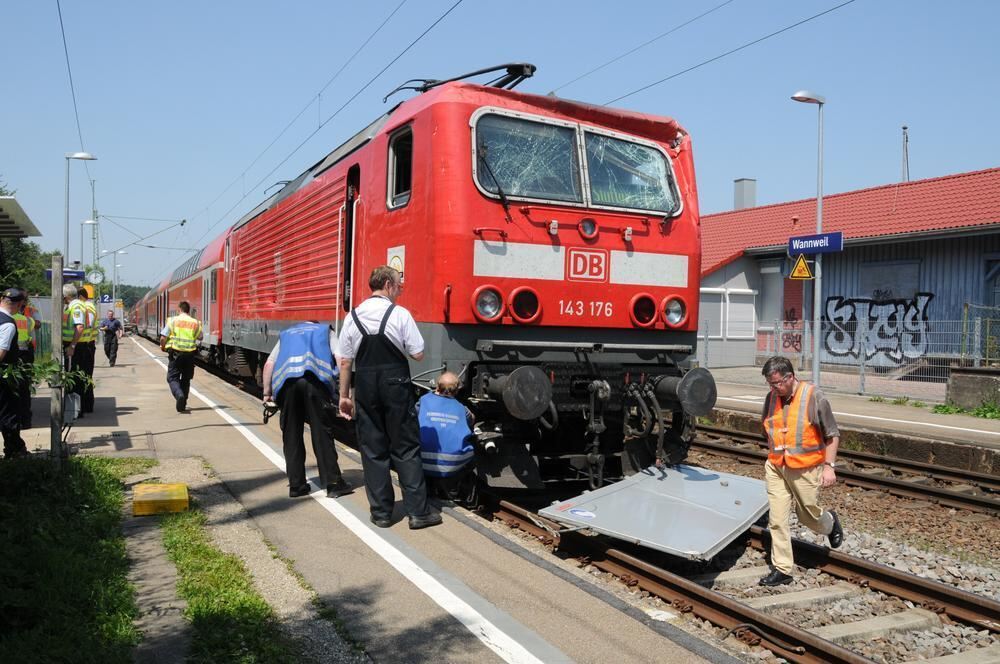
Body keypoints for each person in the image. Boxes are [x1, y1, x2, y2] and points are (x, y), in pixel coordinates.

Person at [337, 266, 441, 530]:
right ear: (387, 284)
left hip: (366, 385)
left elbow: (346, 362)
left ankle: (381, 513)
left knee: (373, 449)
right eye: (398, 284)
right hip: (396, 383)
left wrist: (344, 396)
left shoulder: (353, 317)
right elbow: (418, 353)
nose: (401, 289)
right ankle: (418, 512)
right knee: (406, 446)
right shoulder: (400, 314)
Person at [758, 355, 844, 587]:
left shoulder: (814, 397)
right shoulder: (771, 398)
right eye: (770, 384)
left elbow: (832, 435)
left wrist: (829, 467)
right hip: (777, 467)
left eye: (777, 383)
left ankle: (830, 522)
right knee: (777, 520)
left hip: (805, 469)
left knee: (809, 517)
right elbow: (768, 428)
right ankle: (783, 569)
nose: (774, 388)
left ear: (790, 377)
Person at [262, 321, 352, 498]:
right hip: (315, 383)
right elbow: (342, 360)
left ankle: (296, 485)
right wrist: (344, 394)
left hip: (287, 386)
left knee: (291, 433)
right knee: (321, 431)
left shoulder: (286, 334)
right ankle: (333, 484)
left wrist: (267, 393)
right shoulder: (326, 331)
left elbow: (269, 365)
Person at [417, 371, 477, 502]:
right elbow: (472, 419)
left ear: (437, 387)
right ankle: (451, 487)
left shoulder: (423, 401)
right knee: (473, 453)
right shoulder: (462, 408)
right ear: (456, 391)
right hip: (451, 466)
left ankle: (428, 486)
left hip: (422, 462)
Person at [0, 288, 30, 458]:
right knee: (9, 414)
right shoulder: (8, 324)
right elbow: (1, 353)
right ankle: (14, 451)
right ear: (19, 305)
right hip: (5, 376)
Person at [159, 301, 203, 412]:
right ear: (188, 310)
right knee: (186, 379)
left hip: (176, 354)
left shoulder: (173, 320)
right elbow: (201, 337)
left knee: (172, 378)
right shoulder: (195, 322)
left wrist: (163, 347)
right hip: (190, 355)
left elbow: (163, 337)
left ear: (179, 310)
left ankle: (179, 395)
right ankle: (182, 404)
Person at [62, 284, 88, 416]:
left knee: (74, 377)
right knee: (73, 376)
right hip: (72, 345)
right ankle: (74, 408)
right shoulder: (72, 305)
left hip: (75, 347)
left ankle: (76, 409)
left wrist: (72, 346)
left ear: (65, 296)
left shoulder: (76, 306)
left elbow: (79, 327)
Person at [12, 297, 37, 430]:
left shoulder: (7, 318)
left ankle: (13, 419)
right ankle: (26, 421)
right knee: (24, 388)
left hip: (10, 356)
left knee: (11, 389)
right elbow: (32, 340)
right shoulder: (28, 321)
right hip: (25, 356)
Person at [78, 288, 99, 413]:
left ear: (80, 296)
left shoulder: (87, 307)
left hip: (86, 345)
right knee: (85, 376)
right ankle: (86, 404)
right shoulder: (87, 306)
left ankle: (86, 405)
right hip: (86, 344)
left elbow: (87, 325)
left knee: (85, 376)